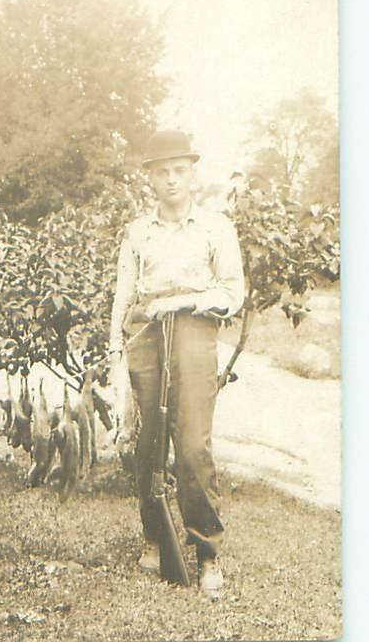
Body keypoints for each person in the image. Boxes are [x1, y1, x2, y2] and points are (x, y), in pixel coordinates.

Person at [109, 130, 244, 597]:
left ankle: (207, 552)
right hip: (146, 333)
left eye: (179, 171)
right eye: (162, 172)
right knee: (148, 442)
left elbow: (232, 292)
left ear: (192, 173)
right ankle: (154, 537)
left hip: (192, 331)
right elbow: (123, 292)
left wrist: (184, 301)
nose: (171, 180)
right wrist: (114, 348)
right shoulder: (138, 231)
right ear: (150, 178)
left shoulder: (215, 227)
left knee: (191, 446)